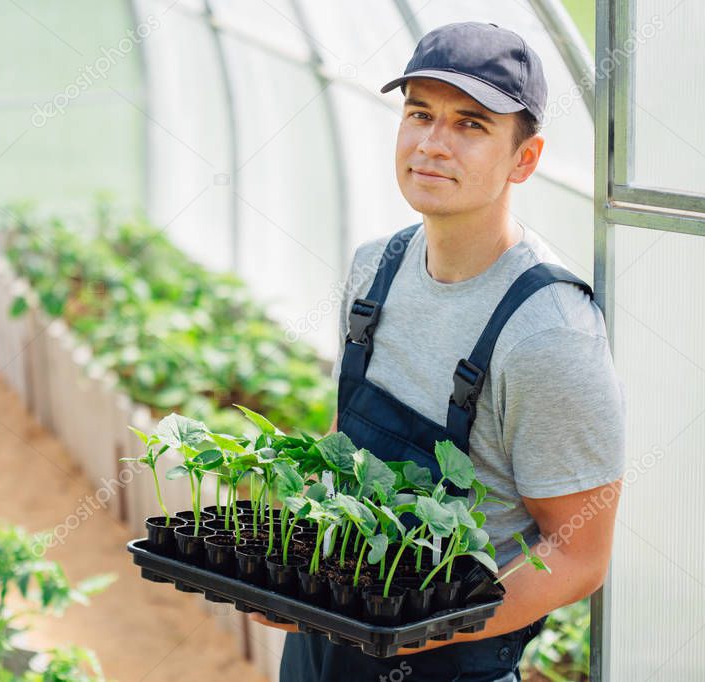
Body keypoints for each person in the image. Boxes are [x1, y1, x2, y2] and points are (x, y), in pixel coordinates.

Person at [250, 21, 626, 682]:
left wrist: (401, 628)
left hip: (445, 665)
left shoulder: (547, 334)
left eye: (469, 125)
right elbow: (346, 440)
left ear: (524, 159)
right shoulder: (377, 269)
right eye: (418, 114)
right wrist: (293, 571)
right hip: (319, 647)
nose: (430, 144)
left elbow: (578, 557)